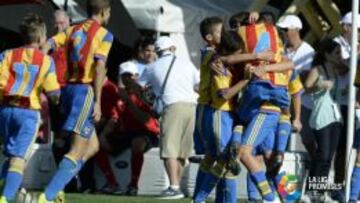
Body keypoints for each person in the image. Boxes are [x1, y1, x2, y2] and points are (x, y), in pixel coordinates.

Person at [39, 0, 113, 202]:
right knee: (77, 149)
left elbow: (47, 45)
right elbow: (99, 68)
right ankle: (47, 196)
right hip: (84, 91)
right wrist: (97, 101)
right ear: (105, 11)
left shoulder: (72, 29)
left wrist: (42, 68)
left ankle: (58, 185)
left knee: (92, 146)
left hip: (68, 91)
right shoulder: (104, 34)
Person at [0, 14, 60, 203]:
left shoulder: (6, 55)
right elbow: (53, 93)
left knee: (10, 156)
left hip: (5, 110)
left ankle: (12, 192)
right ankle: (5, 199)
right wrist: (56, 99)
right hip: (28, 112)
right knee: (19, 158)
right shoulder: (46, 61)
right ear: (42, 37)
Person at [139, 36, 199, 199]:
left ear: (158, 51)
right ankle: (176, 187)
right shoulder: (187, 64)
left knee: (169, 150)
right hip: (191, 107)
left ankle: (174, 187)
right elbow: (198, 85)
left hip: (172, 107)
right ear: (173, 49)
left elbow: (140, 87)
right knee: (181, 152)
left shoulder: (151, 67)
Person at [96, 61, 160, 195]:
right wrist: (104, 135)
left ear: (136, 76)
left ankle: (133, 185)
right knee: (96, 145)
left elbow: (145, 119)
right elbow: (114, 117)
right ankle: (112, 183)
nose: (127, 79)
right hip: (126, 132)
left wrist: (129, 102)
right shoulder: (119, 94)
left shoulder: (145, 93)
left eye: (130, 75)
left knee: (137, 143)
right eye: (124, 76)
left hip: (147, 132)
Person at [304, 38, 344, 201]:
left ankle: (319, 193)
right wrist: (319, 85)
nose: (340, 56)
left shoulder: (336, 70)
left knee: (328, 157)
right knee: (323, 155)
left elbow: (349, 66)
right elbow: (306, 87)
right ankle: (311, 191)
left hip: (335, 116)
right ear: (327, 55)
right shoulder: (318, 70)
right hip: (322, 116)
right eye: (337, 53)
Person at [276, 14, 316, 156]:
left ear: (295, 30)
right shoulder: (280, 49)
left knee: (308, 140)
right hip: (282, 102)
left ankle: (316, 171)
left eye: (285, 29)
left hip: (303, 103)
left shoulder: (308, 52)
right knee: (279, 142)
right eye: (281, 30)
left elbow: (306, 81)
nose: (282, 33)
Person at [332, 12, 360, 200]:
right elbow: (339, 68)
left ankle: (350, 191)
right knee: (341, 148)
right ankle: (340, 187)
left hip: (353, 104)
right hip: (340, 103)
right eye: (345, 25)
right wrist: (354, 58)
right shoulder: (336, 43)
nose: (346, 29)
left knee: (352, 149)